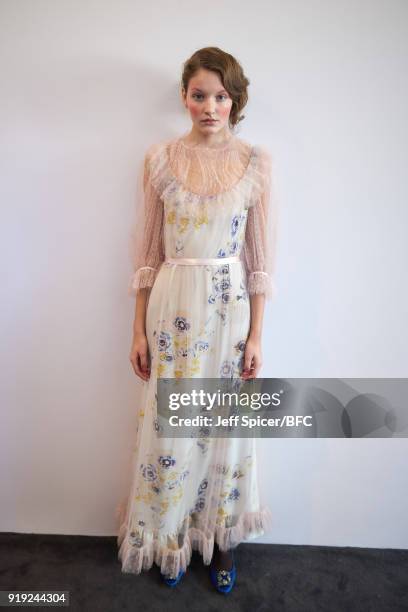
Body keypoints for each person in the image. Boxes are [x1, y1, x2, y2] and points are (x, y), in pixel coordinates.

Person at [116, 46, 278, 593]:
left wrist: (257, 334)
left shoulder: (256, 163)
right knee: (172, 428)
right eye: (199, 95)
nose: (210, 107)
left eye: (222, 96)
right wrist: (137, 328)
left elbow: (260, 260)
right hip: (172, 307)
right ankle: (172, 538)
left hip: (230, 310)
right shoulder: (159, 160)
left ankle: (222, 543)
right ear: (185, 98)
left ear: (236, 100)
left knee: (225, 426)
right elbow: (146, 253)